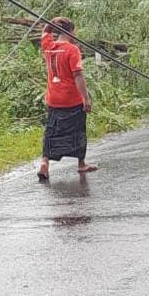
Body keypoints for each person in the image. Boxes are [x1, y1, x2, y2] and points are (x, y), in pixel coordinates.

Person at [37, 17, 98, 181]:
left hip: (53, 99)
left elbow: (45, 32)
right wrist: (86, 98)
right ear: (71, 32)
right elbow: (78, 74)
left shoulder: (49, 47)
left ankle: (45, 162)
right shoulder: (72, 50)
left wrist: (51, 23)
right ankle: (81, 163)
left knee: (51, 131)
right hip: (71, 99)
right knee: (78, 131)